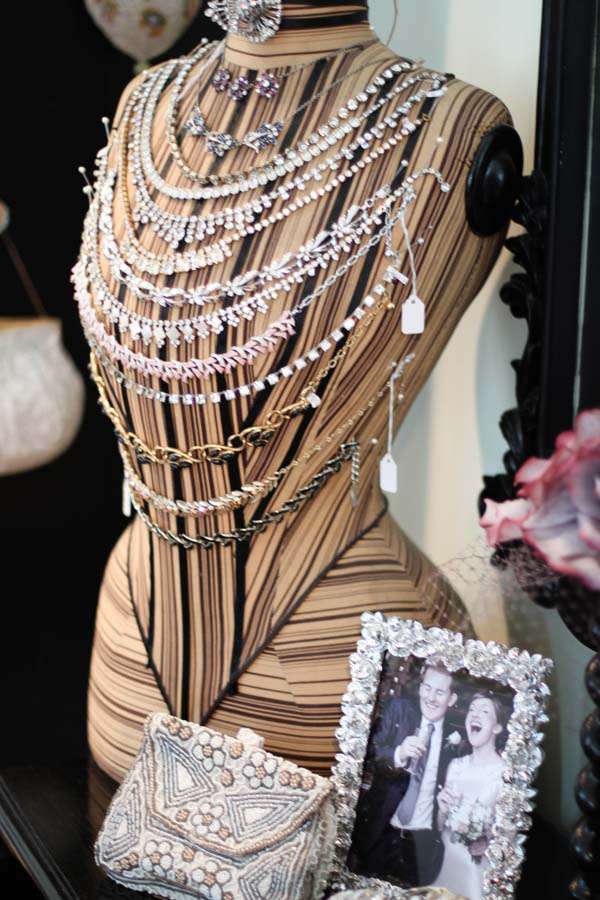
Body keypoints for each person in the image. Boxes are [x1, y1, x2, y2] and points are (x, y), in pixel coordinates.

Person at [353, 664, 459, 886]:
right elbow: (367, 750)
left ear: (451, 699)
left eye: (440, 692)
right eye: (427, 688)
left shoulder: (457, 739)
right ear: (420, 688)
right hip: (380, 832)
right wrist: (398, 753)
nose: (431, 698)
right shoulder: (399, 710)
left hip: (421, 845)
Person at [432, 691, 508, 899]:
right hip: (447, 864)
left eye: (484, 711)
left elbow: (508, 838)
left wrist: (488, 844)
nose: (474, 714)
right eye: (472, 710)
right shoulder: (456, 766)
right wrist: (442, 811)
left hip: (476, 873)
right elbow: (440, 827)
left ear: (497, 727)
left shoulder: (504, 774)